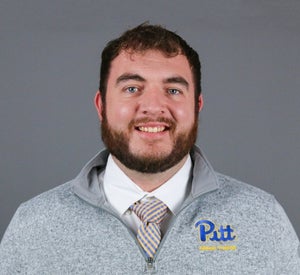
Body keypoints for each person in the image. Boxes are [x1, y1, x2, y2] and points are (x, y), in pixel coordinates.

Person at [0, 23, 299, 274]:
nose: (154, 106)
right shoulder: (33, 227)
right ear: (101, 106)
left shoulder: (264, 220)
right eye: (132, 88)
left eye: (173, 90)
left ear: (197, 106)